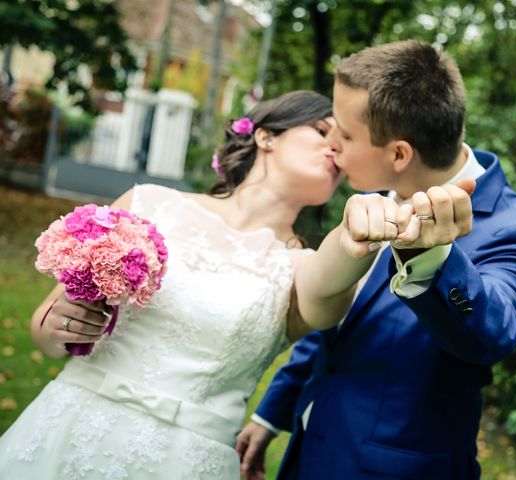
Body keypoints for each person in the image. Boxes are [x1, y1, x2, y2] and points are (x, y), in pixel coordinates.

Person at [0, 90, 415, 479]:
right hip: (68, 426)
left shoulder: (301, 268)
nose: (335, 149)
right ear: (267, 137)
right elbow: (47, 330)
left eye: (343, 143)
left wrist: (362, 226)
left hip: (180, 462)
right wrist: (60, 328)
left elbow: (331, 281)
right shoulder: (147, 203)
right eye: (323, 131)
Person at [237, 40, 516, 480]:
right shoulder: (375, 192)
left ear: (400, 154)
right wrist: (272, 413)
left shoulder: (515, 231)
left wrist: (431, 257)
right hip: (309, 453)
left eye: (344, 134)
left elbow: (491, 337)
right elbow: (341, 319)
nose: (329, 142)